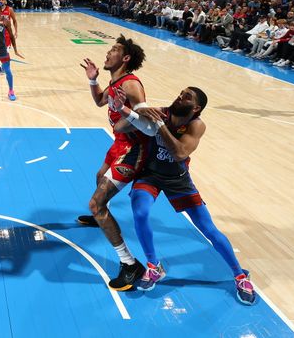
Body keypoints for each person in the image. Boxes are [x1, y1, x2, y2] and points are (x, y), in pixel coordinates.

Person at [107, 86, 257, 305]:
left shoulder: (197, 125)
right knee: (140, 213)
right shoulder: (161, 112)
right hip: (150, 175)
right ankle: (153, 266)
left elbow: (179, 153)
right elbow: (120, 128)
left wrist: (158, 126)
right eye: (180, 93)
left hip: (178, 179)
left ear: (196, 107)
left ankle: (240, 276)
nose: (179, 96)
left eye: (186, 97)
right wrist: (128, 111)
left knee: (208, 229)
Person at [76, 35, 149, 290]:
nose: (108, 53)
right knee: (99, 177)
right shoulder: (115, 81)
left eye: (114, 50)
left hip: (134, 148)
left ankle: (130, 264)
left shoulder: (131, 85)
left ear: (125, 58)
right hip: (119, 144)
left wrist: (124, 120)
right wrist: (93, 79)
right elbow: (99, 101)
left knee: (96, 203)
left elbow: (146, 117)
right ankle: (101, 217)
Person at [0, 0, 18, 74]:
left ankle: (4, 66)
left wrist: (16, 31)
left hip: (7, 34)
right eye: (0, 0)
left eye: (2, 0)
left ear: (5, 1)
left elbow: (15, 21)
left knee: (6, 51)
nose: (1, 1)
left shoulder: (10, 9)